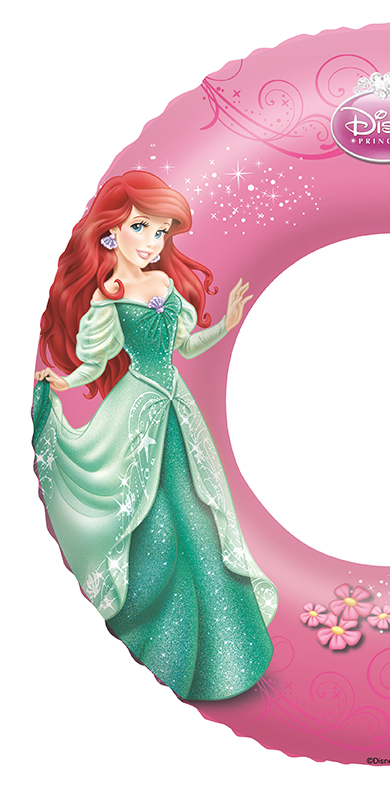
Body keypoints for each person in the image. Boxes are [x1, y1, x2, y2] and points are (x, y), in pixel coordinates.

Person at [32, 171, 277, 701]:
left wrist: (227, 323)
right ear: (111, 231)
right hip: (136, 414)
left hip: (178, 412)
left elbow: (185, 347)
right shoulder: (109, 296)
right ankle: (154, 646)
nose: (152, 242)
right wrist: (62, 381)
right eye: (141, 227)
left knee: (202, 520)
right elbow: (93, 362)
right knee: (155, 528)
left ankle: (224, 658)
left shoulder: (164, 285)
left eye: (161, 232)